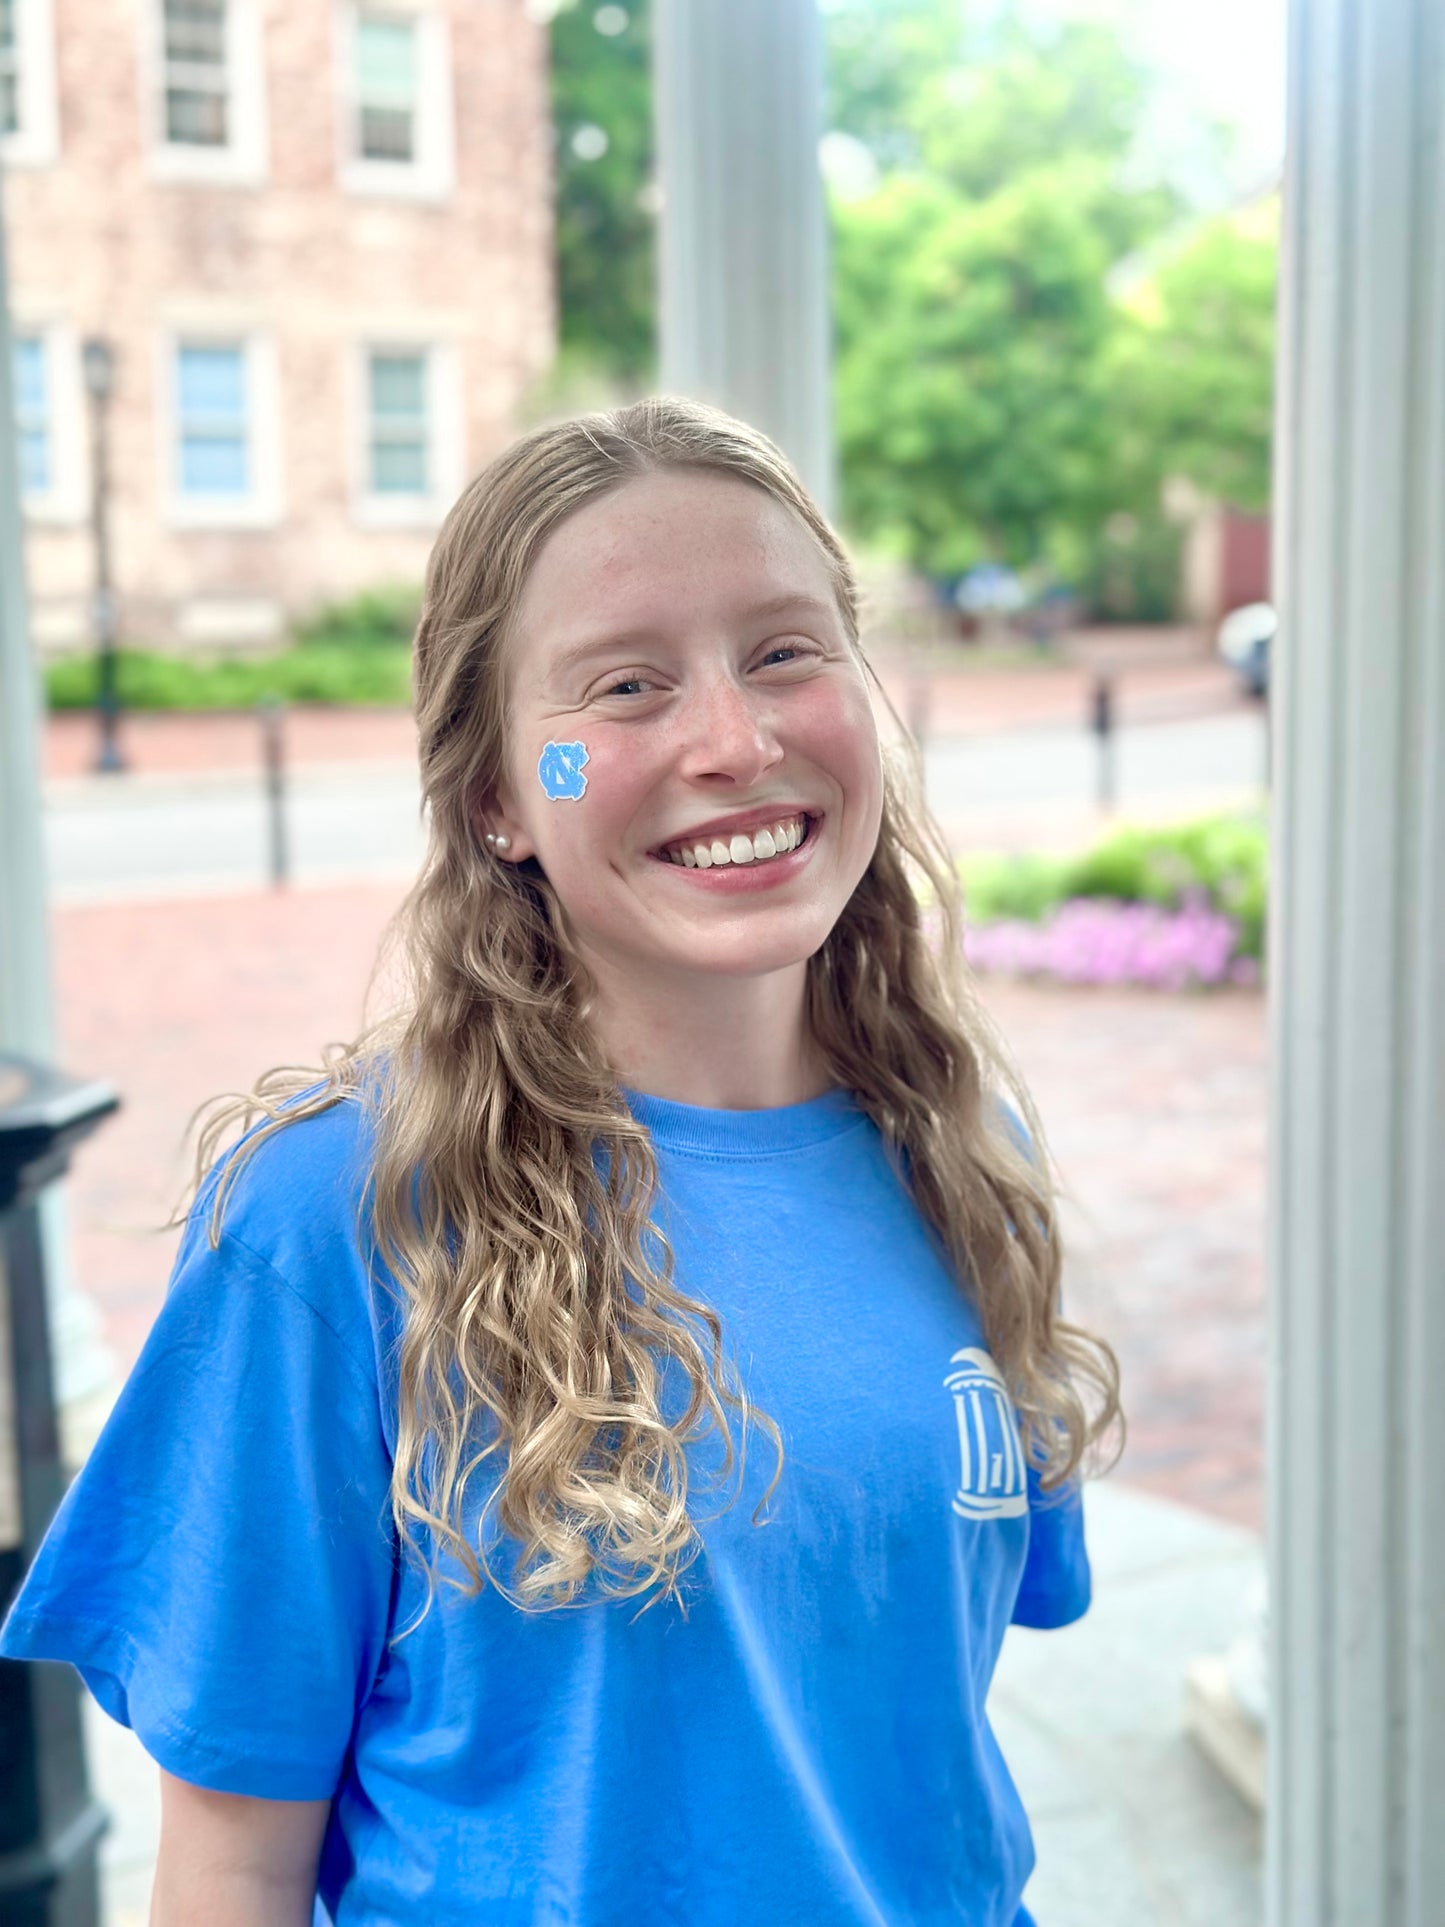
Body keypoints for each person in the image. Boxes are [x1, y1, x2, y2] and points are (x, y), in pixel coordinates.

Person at [0, 397, 1121, 1926]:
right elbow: (231, 1868)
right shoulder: (337, 1223)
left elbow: (899, 1753)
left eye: (788, 652)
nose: (734, 740)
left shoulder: (964, 1154)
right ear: (498, 798)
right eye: (624, 684)